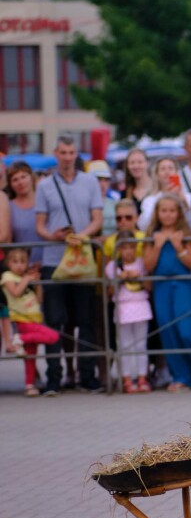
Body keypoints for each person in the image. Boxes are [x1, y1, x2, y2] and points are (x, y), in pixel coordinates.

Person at [34, 134, 105, 395]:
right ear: (56, 154)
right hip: (54, 260)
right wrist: (51, 235)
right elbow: (40, 224)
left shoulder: (89, 182)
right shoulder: (44, 185)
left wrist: (82, 235)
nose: (67, 157)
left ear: (77, 154)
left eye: (71, 152)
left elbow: (97, 218)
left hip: (81, 259)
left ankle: (87, 376)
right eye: (62, 153)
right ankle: (55, 378)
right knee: (54, 321)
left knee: (85, 320)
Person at [148, 193, 191, 392]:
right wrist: (158, 245)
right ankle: (182, 376)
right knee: (168, 332)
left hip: (182, 285)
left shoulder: (185, 234)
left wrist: (178, 246)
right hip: (161, 287)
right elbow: (148, 264)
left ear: (178, 213)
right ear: (158, 213)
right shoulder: (152, 235)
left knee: (187, 331)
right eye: (164, 211)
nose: (168, 215)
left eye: (172, 211)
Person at [3, 246, 61, 396]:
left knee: (30, 356)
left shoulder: (27, 278)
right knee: (53, 336)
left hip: (35, 319)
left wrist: (37, 283)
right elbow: (15, 293)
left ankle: (29, 385)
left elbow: (39, 299)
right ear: (8, 263)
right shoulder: (7, 277)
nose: (20, 265)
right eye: (15, 262)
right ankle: (19, 338)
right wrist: (27, 279)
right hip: (22, 320)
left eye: (23, 261)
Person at [105, 234, 153, 394]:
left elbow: (149, 286)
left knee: (141, 345)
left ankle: (141, 377)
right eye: (123, 248)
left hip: (141, 306)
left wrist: (138, 277)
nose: (127, 252)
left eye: (131, 247)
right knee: (125, 345)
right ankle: (126, 378)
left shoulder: (142, 263)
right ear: (118, 250)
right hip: (123, 308)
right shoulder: (113, 266)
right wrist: (119, 279)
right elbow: (110, 292)